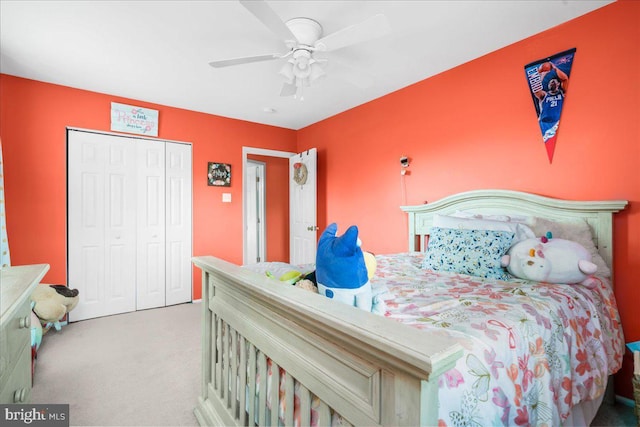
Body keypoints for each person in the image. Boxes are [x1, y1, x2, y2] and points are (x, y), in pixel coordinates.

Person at [533, 61, 569, 142]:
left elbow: (565, 79)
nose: (552, 82)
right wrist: (540, 74)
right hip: (544, 125)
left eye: (554, 81)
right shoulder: (544, 95)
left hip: (557, 124)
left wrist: (555, 68)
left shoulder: (563, 94)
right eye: (550, 81)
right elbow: (536, 90)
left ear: (558, 84)